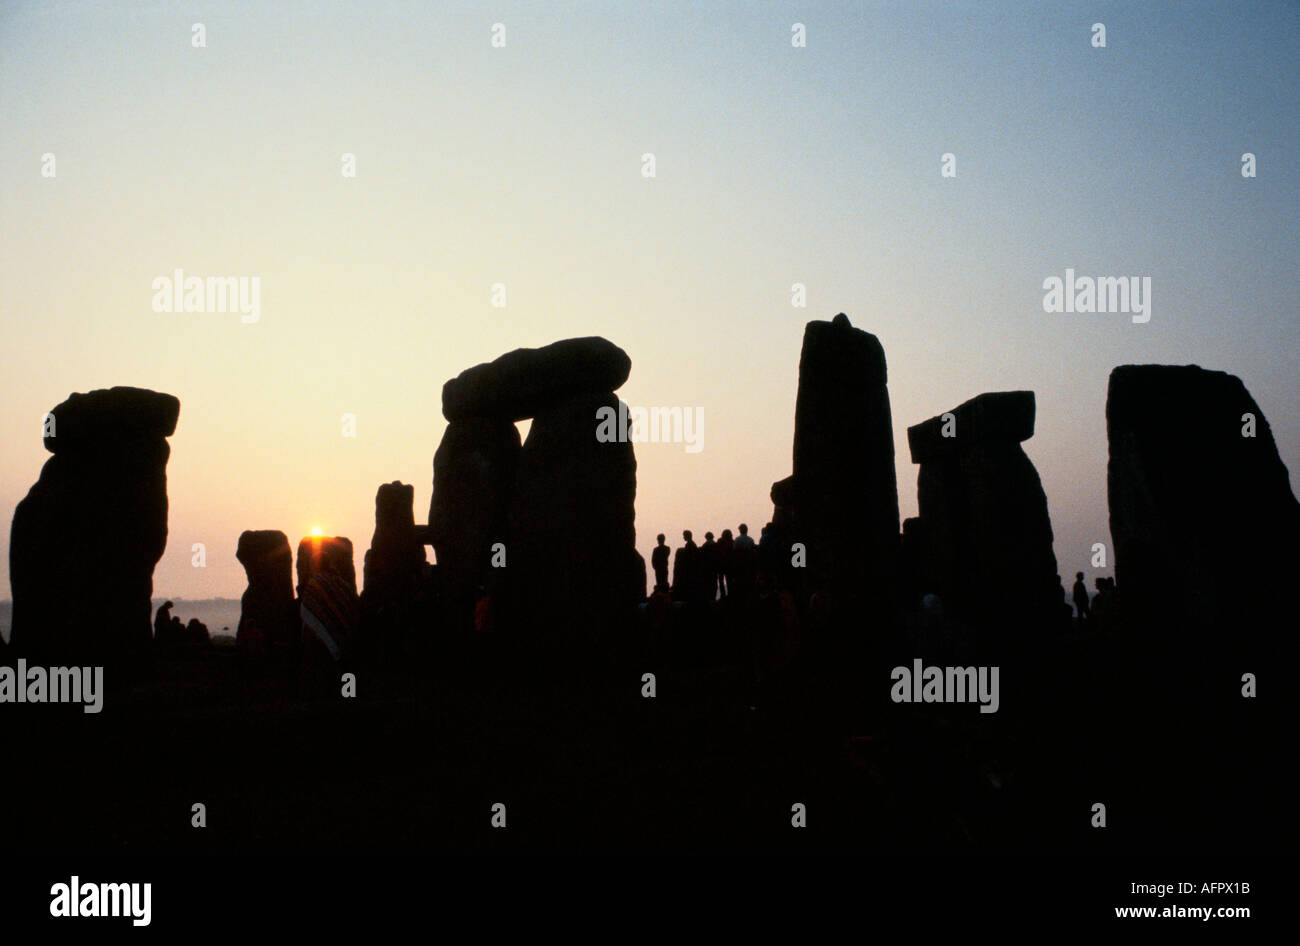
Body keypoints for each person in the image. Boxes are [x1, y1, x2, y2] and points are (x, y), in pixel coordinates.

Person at [672, 531, 698, 602]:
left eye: (684, 536)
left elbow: (689, 558)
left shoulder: (690, 545)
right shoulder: (692, 544)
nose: (683, 537)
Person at [699, 532, 718, 602]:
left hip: (707, 568)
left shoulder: (705, 545)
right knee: (714, 583)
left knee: (708, 584)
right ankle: (713, 598)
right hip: (714, 567)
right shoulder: (715, 545)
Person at [715, 529, 733, 599]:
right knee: (729, 581)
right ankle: (730, 595)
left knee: (721, 581)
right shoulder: (731, 542)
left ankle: (723, 595)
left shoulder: (720, 542)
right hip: (729, 565)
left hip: (721, 565)